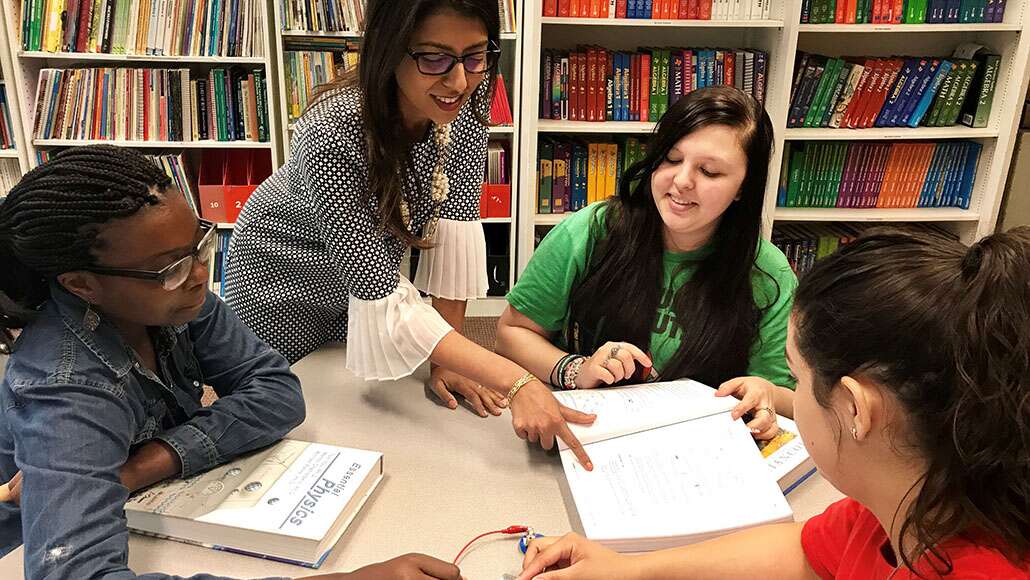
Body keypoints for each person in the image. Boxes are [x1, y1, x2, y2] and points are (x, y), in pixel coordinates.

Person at [0, 146, 462, 579]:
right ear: (81, 285)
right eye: (171, 268)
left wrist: (141, 467)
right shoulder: (62, 388)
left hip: (140, 509)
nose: (200, 276)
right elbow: (77, 571)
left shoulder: (172, 300)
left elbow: (276, 390)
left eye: (199, 248)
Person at [517, 227, 1030, 580]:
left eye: (798, 377)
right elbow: (806, 549)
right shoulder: (910, 502)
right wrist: (626, 567)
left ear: (854, 409)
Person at [224, 0, 595, 465]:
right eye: (434, 58)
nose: (459, 81)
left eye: (476, 56)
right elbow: (379, 290)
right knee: (286, 423)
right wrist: (517, 381)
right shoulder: (333, 132)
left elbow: (456, 225)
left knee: (372, 408)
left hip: (355, 289)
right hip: (279, 287)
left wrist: (446, 365)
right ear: (388, 50)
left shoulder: (462, 101)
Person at [496, 86, 796, 439]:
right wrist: (578, 369)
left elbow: (789, 397)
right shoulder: (592, 230)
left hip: (697, 449)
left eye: (710, 172)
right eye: (671, 159)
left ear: (744, 187)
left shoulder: (768, 273)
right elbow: (510, 333)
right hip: (588, 432)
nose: (682, 181)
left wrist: (765, 394)